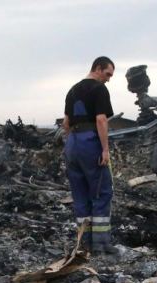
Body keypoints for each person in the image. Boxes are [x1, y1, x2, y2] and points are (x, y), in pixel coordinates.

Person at [63, 56, 118, 254]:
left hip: (72, 144)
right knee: (101, 192)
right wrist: (104, 149)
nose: (108, 79)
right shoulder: (99, 89)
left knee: (80, 194)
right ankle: (101, 245)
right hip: (89, 142)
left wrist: (71, 145)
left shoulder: (73, 90)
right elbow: (101, 120)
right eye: (107, 74)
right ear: (98, 68)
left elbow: (66, 123)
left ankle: (83, 243)